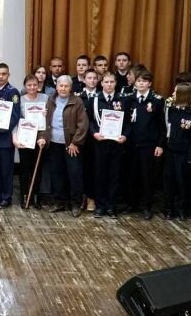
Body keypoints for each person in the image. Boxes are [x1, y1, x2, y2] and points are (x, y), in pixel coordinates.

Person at [37, 75, 88, 217]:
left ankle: (76, 204)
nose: (63, 88)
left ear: (70, 88)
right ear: (57, 87)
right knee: (56, 173)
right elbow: (45, 121)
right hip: (54, 143)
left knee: (74, 174)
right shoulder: (51, 100)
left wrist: (75, 142)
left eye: (66, 86)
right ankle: (60, 201)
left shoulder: (77, 102)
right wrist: (42, 137)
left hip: (71, 145)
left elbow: (83, 125)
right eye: (61, 86)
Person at [126, 69, 166, 219]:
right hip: (131, 144)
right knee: (132, 175)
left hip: (149, 145)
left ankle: (146, 206)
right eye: (139, 81)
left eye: (144, 81)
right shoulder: (129, 99)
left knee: (147, 177)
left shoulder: (156, 100)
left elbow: (162, 125)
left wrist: (160, 144)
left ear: (149, 83)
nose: (141, 84)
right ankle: (132, 204)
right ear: (135, 83)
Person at [90, 72, 130, 219]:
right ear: (101, 83)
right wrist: (94, 133)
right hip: (100, 143)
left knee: (114, 176)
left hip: (116, 144)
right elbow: (89, 120)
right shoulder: (95, 99)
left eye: (112, 82)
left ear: (115, 83)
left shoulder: (123, 100)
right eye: (106, 82)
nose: (109, 85)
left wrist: (125, 135)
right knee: (100, 175)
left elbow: (128, 122)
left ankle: (111, 206)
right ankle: (100, 206)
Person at [163, 83, 191, 221]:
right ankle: (169, 208)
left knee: (183, 181)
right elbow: (167, 128)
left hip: (184, 153)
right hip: (171, 150)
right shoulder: (171, 110)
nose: (173, 94)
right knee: (169, 180)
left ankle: (182, 209)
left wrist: (190, 156)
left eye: (175, 92)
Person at [0, 63, 21, 207]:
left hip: (5, 139)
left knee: (6, 170)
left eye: (3, 74)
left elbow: (15, 116)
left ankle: (7, 197)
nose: (1, 77)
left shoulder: (13, 92)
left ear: (8, 75)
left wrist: (1, 129)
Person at [15, 74, 48, 209]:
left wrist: (46, 114)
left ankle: (36, 196)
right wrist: (16, 139)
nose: (32, 87)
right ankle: (24, 195)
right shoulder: (21, 100)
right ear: (25, 86)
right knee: (25, 169)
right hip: (25, 138)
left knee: (37, 169)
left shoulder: (45, 98)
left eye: (35, 84)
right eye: (29, 85)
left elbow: (49, 120)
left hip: (40, 138)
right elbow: (17, 120)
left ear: (38, 85)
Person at [78, 69, 99, 211]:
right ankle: (81, 197)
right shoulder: (78, 97)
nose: (92, 80)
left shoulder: (101, 96)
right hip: (81, 138)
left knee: (94, 169)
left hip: (96, 139)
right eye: (89, 78)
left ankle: (92, 198)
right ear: (84, 80)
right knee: (80, 169)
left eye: (94, 78)